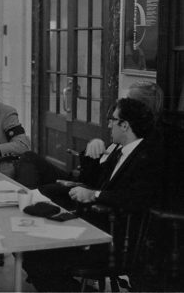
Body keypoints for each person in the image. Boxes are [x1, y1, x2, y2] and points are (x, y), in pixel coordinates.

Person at [23, 98, 164, 292]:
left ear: (125, 125)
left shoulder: (146, 156)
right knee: (30, 248)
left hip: (113, 243)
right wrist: (93, 151)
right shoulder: (120, 150)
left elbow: (135, 200)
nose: (108, 124)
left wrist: (94, 195)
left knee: (35, 257)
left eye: (112, 120)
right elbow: (91, 181)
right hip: (94, 228)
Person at [15, 82, 164, 209]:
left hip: (94, 197)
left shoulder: (145, 146)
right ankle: (25, 202)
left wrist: (93, 194)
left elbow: (130, 195)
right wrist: (92, 148)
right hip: (86, 182)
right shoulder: (124, 136)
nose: (119, 104)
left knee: (42, 191)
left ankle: (25, 204)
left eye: (125, 100)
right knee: (29, 159)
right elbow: (93, 175)